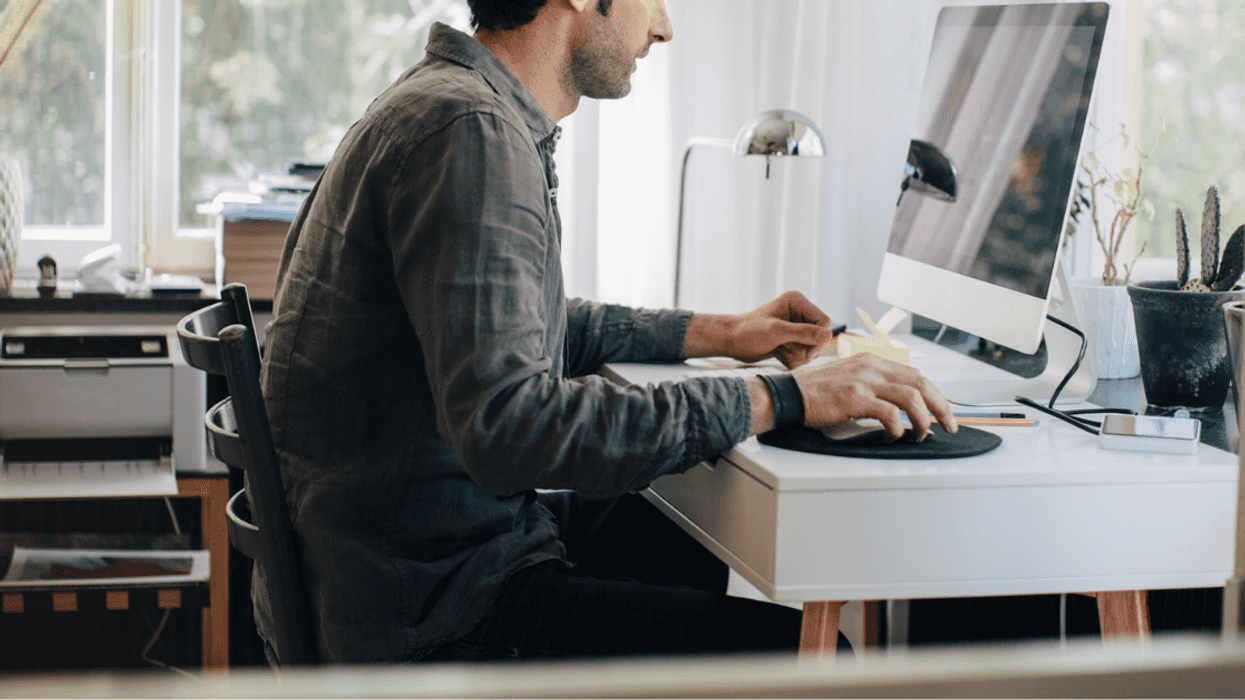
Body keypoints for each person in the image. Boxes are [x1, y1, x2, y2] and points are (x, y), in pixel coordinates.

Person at [259, 0, 958, 664]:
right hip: (436, 615)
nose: (663, 27)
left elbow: (533, 327)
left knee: (685, 526)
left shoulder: (450, 105)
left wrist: (722, 331)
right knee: (817, 664)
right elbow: (512, 426)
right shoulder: (469, 134)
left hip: (412, 563)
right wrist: (785, 396)